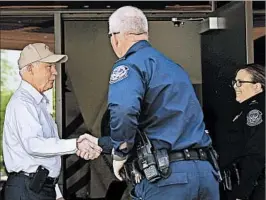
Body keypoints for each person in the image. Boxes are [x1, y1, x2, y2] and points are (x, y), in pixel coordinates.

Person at [83, 5, 220, 200]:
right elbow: (164, 125)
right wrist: (99, 143)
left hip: (167, 178)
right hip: (205, 174)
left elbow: (124, 111)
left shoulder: (130, 65)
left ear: (115, 37)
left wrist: (120, 153)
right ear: (145, 33)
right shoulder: (174, 68)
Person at [2, 43, 102, 200]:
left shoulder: (37, 104)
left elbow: (43, 158)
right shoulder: (22, 104)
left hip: (38, 188)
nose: (55, 72)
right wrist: (75, 144)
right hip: (28, 191)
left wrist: (56, 194)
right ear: (30, 69)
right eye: (49, 67)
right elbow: (34, 145)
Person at [218, 63, 265, 200]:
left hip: (254, 189)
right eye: (235, 82)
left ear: (257, 86)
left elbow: (256, 153)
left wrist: (241, 193)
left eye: (240, 82)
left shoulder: (255, 111)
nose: (235, 86)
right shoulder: (246, 110)